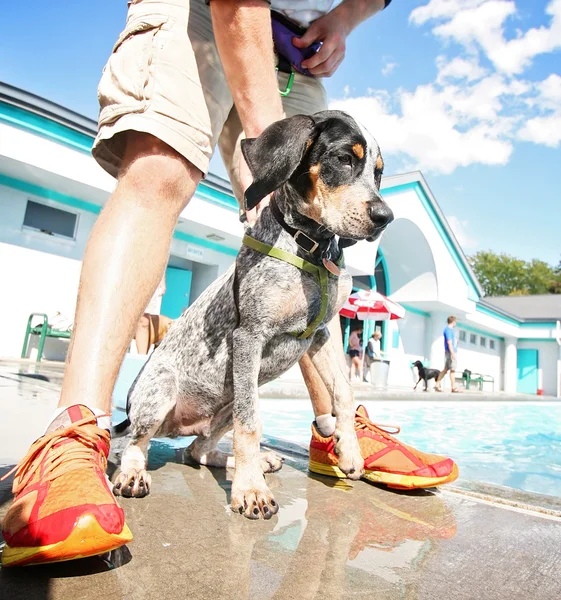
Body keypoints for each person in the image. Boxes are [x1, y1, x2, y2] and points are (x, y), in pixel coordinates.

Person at [1, 0, 459, 569]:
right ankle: (78, 433)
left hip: (300, 48)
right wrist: (276, 161)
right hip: (199, 11)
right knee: (159, 171)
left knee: (318, 241)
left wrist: (342, 21)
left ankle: (335, 429)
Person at [435, 316, 460, 393]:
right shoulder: (448, 330)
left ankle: (437, 384)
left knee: (446, 369)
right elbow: (449, 342)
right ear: (453, 321)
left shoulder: (451, 330)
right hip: (450, 352)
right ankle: (453, 387)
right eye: (455, 321)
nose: (456, 323)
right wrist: (452, 353)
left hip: (451, 351)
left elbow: (452, 341)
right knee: (452, 370)